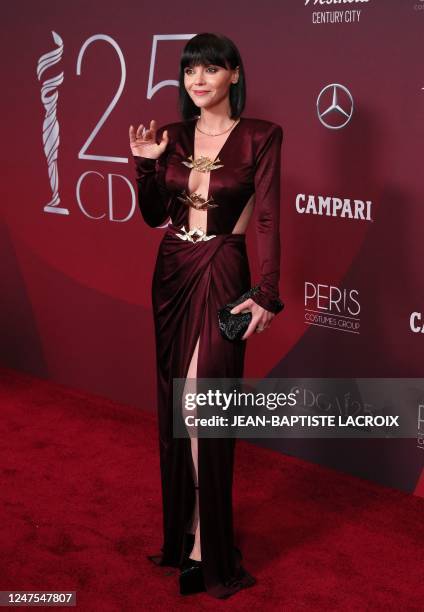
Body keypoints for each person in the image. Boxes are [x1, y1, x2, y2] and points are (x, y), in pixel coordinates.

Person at [128, 32, 284, 599]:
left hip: (222, 267)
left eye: (211, 69)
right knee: (178, 405)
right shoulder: (168, 135)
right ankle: (186, 531)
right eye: (191, 70)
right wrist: (145, 167)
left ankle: (207, 546)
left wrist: (267, 291)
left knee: (202, 402)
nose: (198, 80)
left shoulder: (262, 137)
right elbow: (151, 216)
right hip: (172, 268)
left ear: (234, 76)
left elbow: (264, 219)